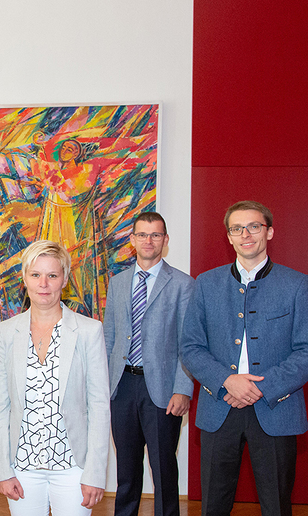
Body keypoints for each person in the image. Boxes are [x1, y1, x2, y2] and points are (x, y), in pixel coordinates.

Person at [181, 200, 308, 516]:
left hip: (276, 408)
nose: (245, 234)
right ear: (229, 236)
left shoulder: (297, 285)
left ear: (269, 232)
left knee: (276, 506)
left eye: (254, 226)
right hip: (219, 406)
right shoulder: (206, 283)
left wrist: (260, 388)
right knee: (213, 506)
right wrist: (227, 381)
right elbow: (191, 347)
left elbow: (305, 351)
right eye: (237, 228)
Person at [0, 240, 110, 515]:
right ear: (25, 279)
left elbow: (99, 406)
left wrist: (95, 473)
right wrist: (3, 470)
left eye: (52, 275)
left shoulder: (89, 331)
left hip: (73, 468)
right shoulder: (5, 332)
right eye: (36, 275)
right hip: (22, 467)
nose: (43, 284)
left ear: (64, 280)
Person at [103, 212, 195, 516]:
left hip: (163, 389)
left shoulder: (183, 284)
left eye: (155, 235)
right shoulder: (118, 283)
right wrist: (104, 386)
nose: (148, 240)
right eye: (142, 234)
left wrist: (183, 389)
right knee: (126, 469)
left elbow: (188, 344)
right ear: (132, 240)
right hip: (122, 386)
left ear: (165, 240)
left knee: (164, 469)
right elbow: (110, 336)